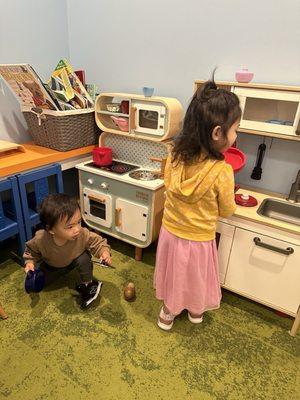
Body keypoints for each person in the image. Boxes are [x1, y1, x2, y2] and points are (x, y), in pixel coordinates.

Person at [154, 79, 241, 330]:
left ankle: (168, 312)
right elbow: (226, 210)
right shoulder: (222, 171)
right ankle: (195, 309)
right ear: (217, 133)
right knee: (194, 276)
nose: (236, 135)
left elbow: (170, 186)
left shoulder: (174, 156)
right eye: (235, 129)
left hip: (171, 232)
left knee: (175, 274)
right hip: (200, 238)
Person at [23, 193, 111, 309]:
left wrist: (104, 253)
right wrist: (30, 263)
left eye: (79, 222)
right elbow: (31, 252)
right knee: (39, 285)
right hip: (52, 266)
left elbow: (97, 242)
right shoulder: (41, 239)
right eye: (70, 227)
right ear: (51, 230)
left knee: (83, 259)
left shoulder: (82, 234)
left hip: (75, 260)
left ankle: (89, 284)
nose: (77, 229)